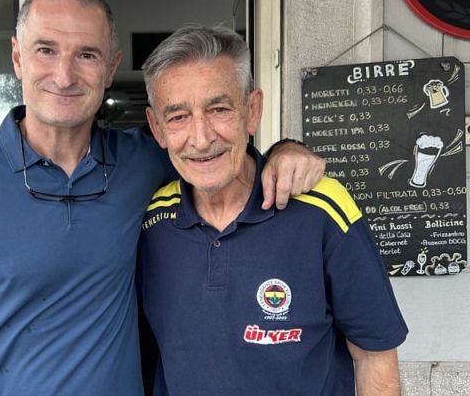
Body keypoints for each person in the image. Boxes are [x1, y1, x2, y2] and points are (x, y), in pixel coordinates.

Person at [0, 0, 324, 396]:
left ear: (111, 68)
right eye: (46, 50)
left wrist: (285, 150)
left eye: (87, 55)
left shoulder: (145, 162)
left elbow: (217, 154)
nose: (64, 75)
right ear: (18, 57)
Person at [137, 24, 408, 395]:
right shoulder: (149, 221)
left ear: (252, 111)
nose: (200, 139)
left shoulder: (322, 209)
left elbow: (373, 355)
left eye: (219, 109)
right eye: (178, 117)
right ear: (157, 128)